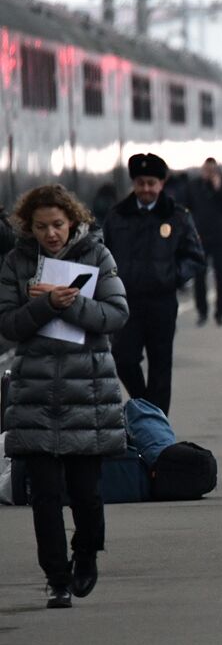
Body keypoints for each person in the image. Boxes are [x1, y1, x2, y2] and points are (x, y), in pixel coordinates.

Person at [0, 185, 129, 608]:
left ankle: (87, 552)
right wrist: (44, 306)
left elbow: (115, 315)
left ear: (72, 221)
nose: (51, 234)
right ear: (29, 227)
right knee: (45, 494)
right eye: (41, 227)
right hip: (36, 393)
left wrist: (67, 305)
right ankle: (57, 578)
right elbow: (8, 326)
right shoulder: (16, 263)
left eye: (57, 225)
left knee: (87, 493)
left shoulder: (97, 255)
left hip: (87, 390)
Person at [103, 153, 205, 414]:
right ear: (133, 184)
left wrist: (173, 277)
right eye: (140, 183)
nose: (146, 189)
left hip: (162, 301)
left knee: (161, 366)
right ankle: (147, 406)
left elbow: (194, 256)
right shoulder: (117, 216)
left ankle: (157, 427)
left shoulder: (177, 216)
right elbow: (104, 254)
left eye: (151, 183)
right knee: (124, 359)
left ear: (162, 183)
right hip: (126, 302)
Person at [186, 158, 222, 326]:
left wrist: (218, 189)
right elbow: (187, 208)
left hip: (221, 236)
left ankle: (220, 312)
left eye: (211, 170)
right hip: (200, 236)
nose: (208, 173)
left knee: (221, 275)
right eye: (206, 170)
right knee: (199, 275)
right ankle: (202, 311)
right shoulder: (194, 186)